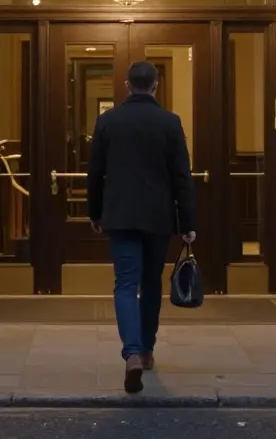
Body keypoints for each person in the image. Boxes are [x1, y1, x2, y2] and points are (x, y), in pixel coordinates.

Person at [86, 60, 197, 394]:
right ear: (156, 85)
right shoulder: (169, 122)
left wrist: (95, 212)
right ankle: (146, 350)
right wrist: (188, 222)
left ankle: (131, 353)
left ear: (126, 85)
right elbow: (182, 176)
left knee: (124, 283)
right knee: (150, 284)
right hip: (157, 217)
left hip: (119, 215)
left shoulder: (108, 121)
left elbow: (95, 173)